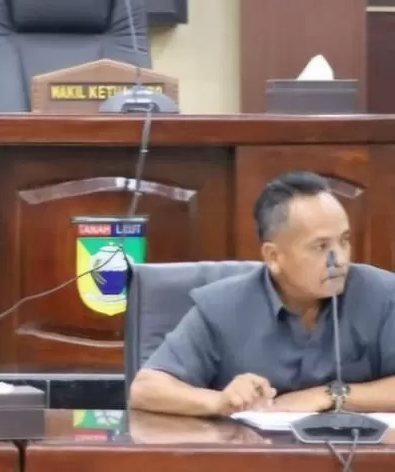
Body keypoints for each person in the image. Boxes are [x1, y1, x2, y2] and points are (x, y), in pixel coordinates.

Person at [129, 170, 395, 418]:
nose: (340, 259)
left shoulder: (382, 295)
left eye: (344, 240)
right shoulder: (222, 308)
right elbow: (145, 389)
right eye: (321, 246)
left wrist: (329, 395)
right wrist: (221, 401)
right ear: (273, 256)